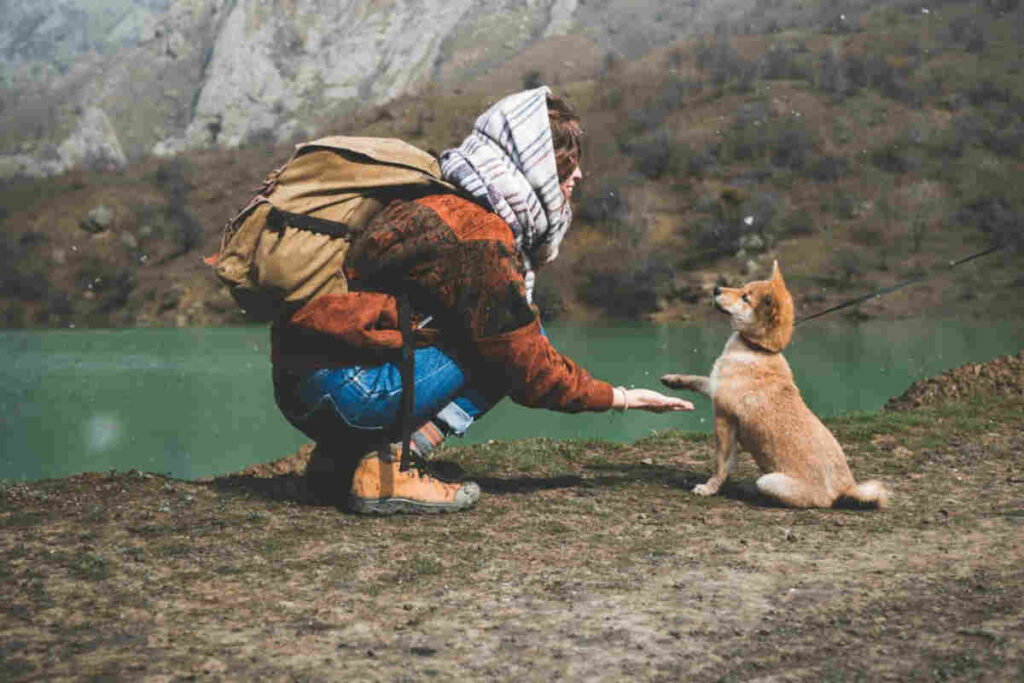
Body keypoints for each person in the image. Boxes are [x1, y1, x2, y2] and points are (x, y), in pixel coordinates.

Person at [270, 86, 693, 515]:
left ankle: (341, 462)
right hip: (348, 395)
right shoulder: (480, 232)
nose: (579, 174)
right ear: (532, 164)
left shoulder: (439, 194)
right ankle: (390, 466)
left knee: (488, 334)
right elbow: (527, 366)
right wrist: (619, 397)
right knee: (507, 346)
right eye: (565, 160)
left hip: (303, 388)